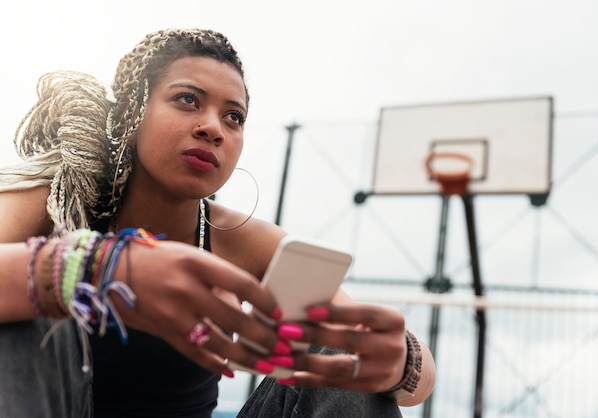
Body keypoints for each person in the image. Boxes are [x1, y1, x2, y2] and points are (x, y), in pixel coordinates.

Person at [0, 28, 435, 417]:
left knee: (338, 339)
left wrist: (396, 363)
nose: (213, 128)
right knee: (24, 308)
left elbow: (416, 385)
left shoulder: (242, 240)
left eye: (234, 117)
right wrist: (96, 268)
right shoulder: (54, 201)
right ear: (132, 116)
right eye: (187, 100)